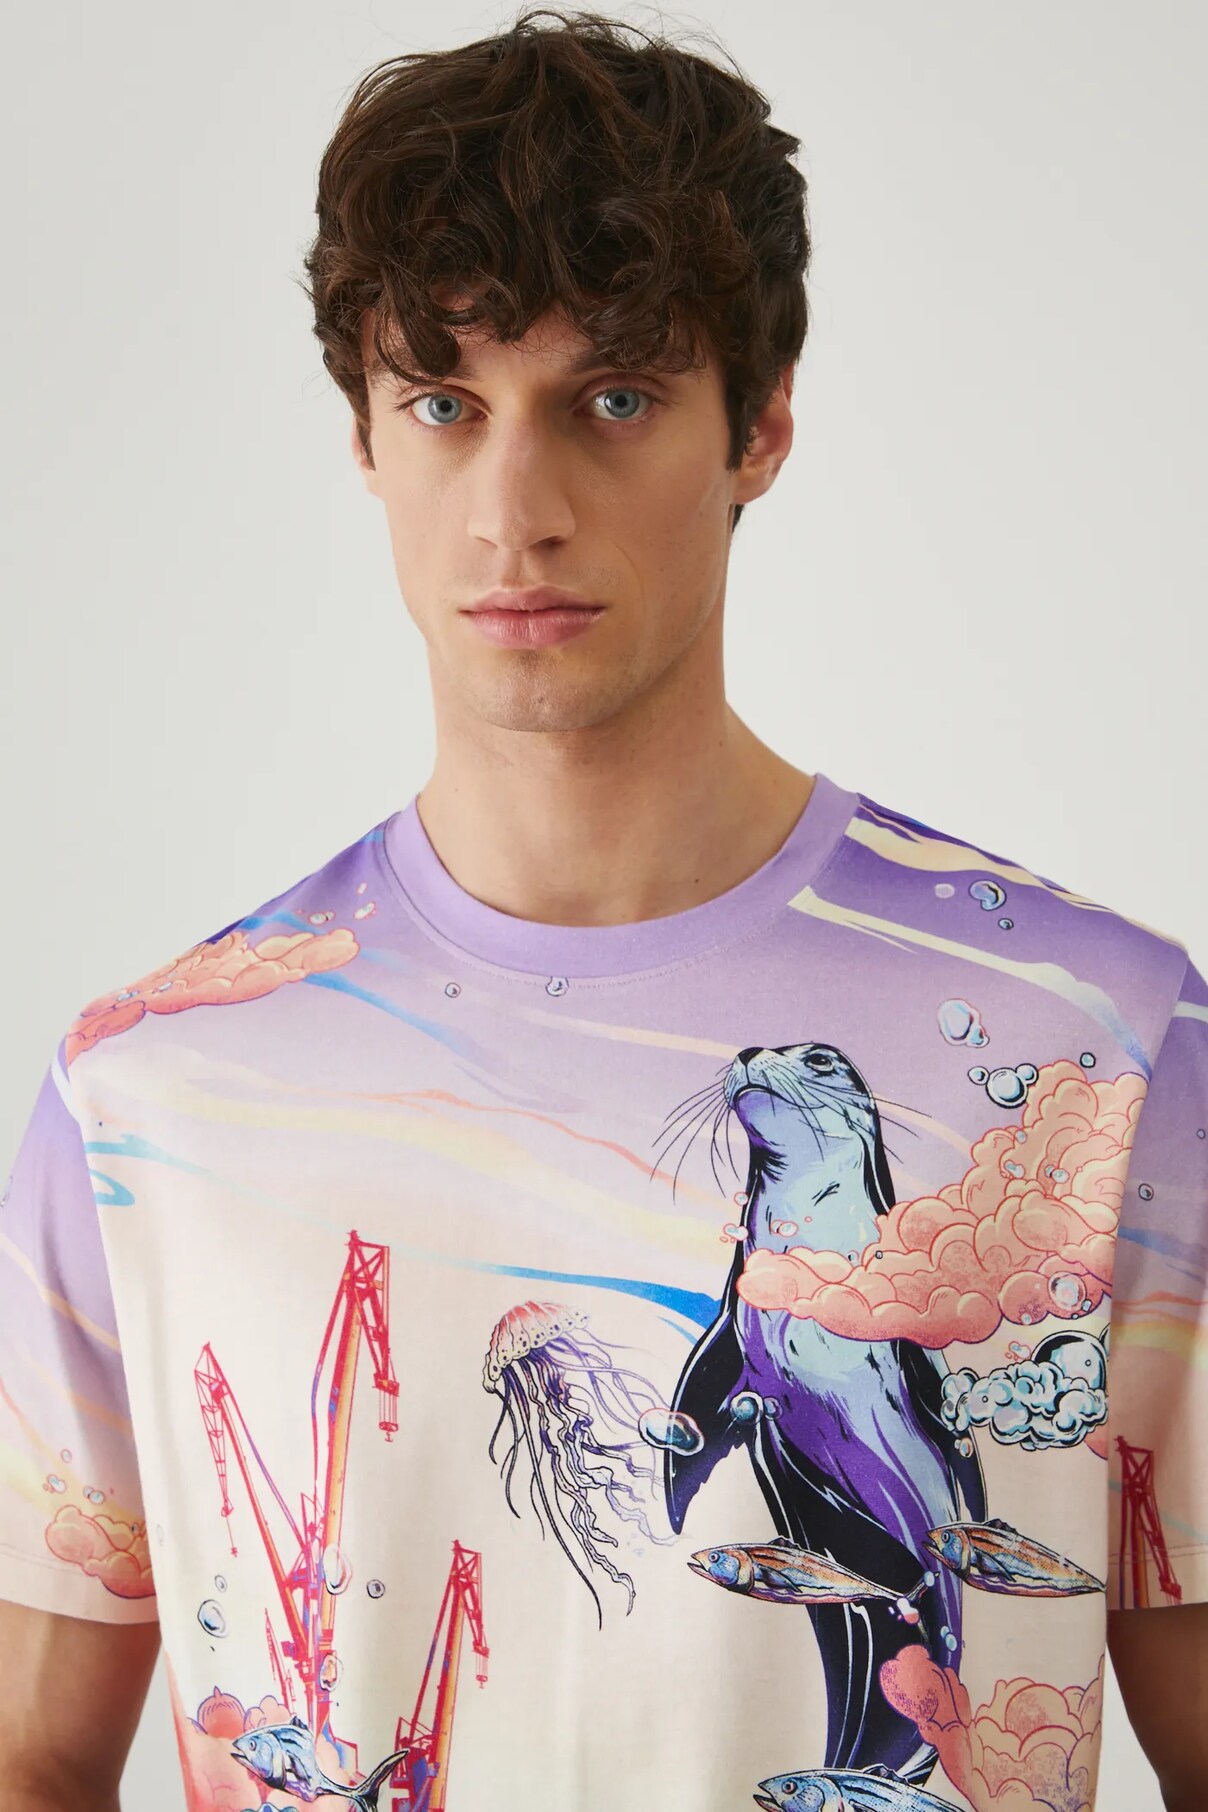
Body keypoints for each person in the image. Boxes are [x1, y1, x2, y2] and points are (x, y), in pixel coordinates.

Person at [1, 9, 1204, 1809]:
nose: (519, 510)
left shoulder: (1103, 1042)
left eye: (613, 400)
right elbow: (29, 1752)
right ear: (366, 439)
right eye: (444, 405)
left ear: (760, 427)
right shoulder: (150, 1094)